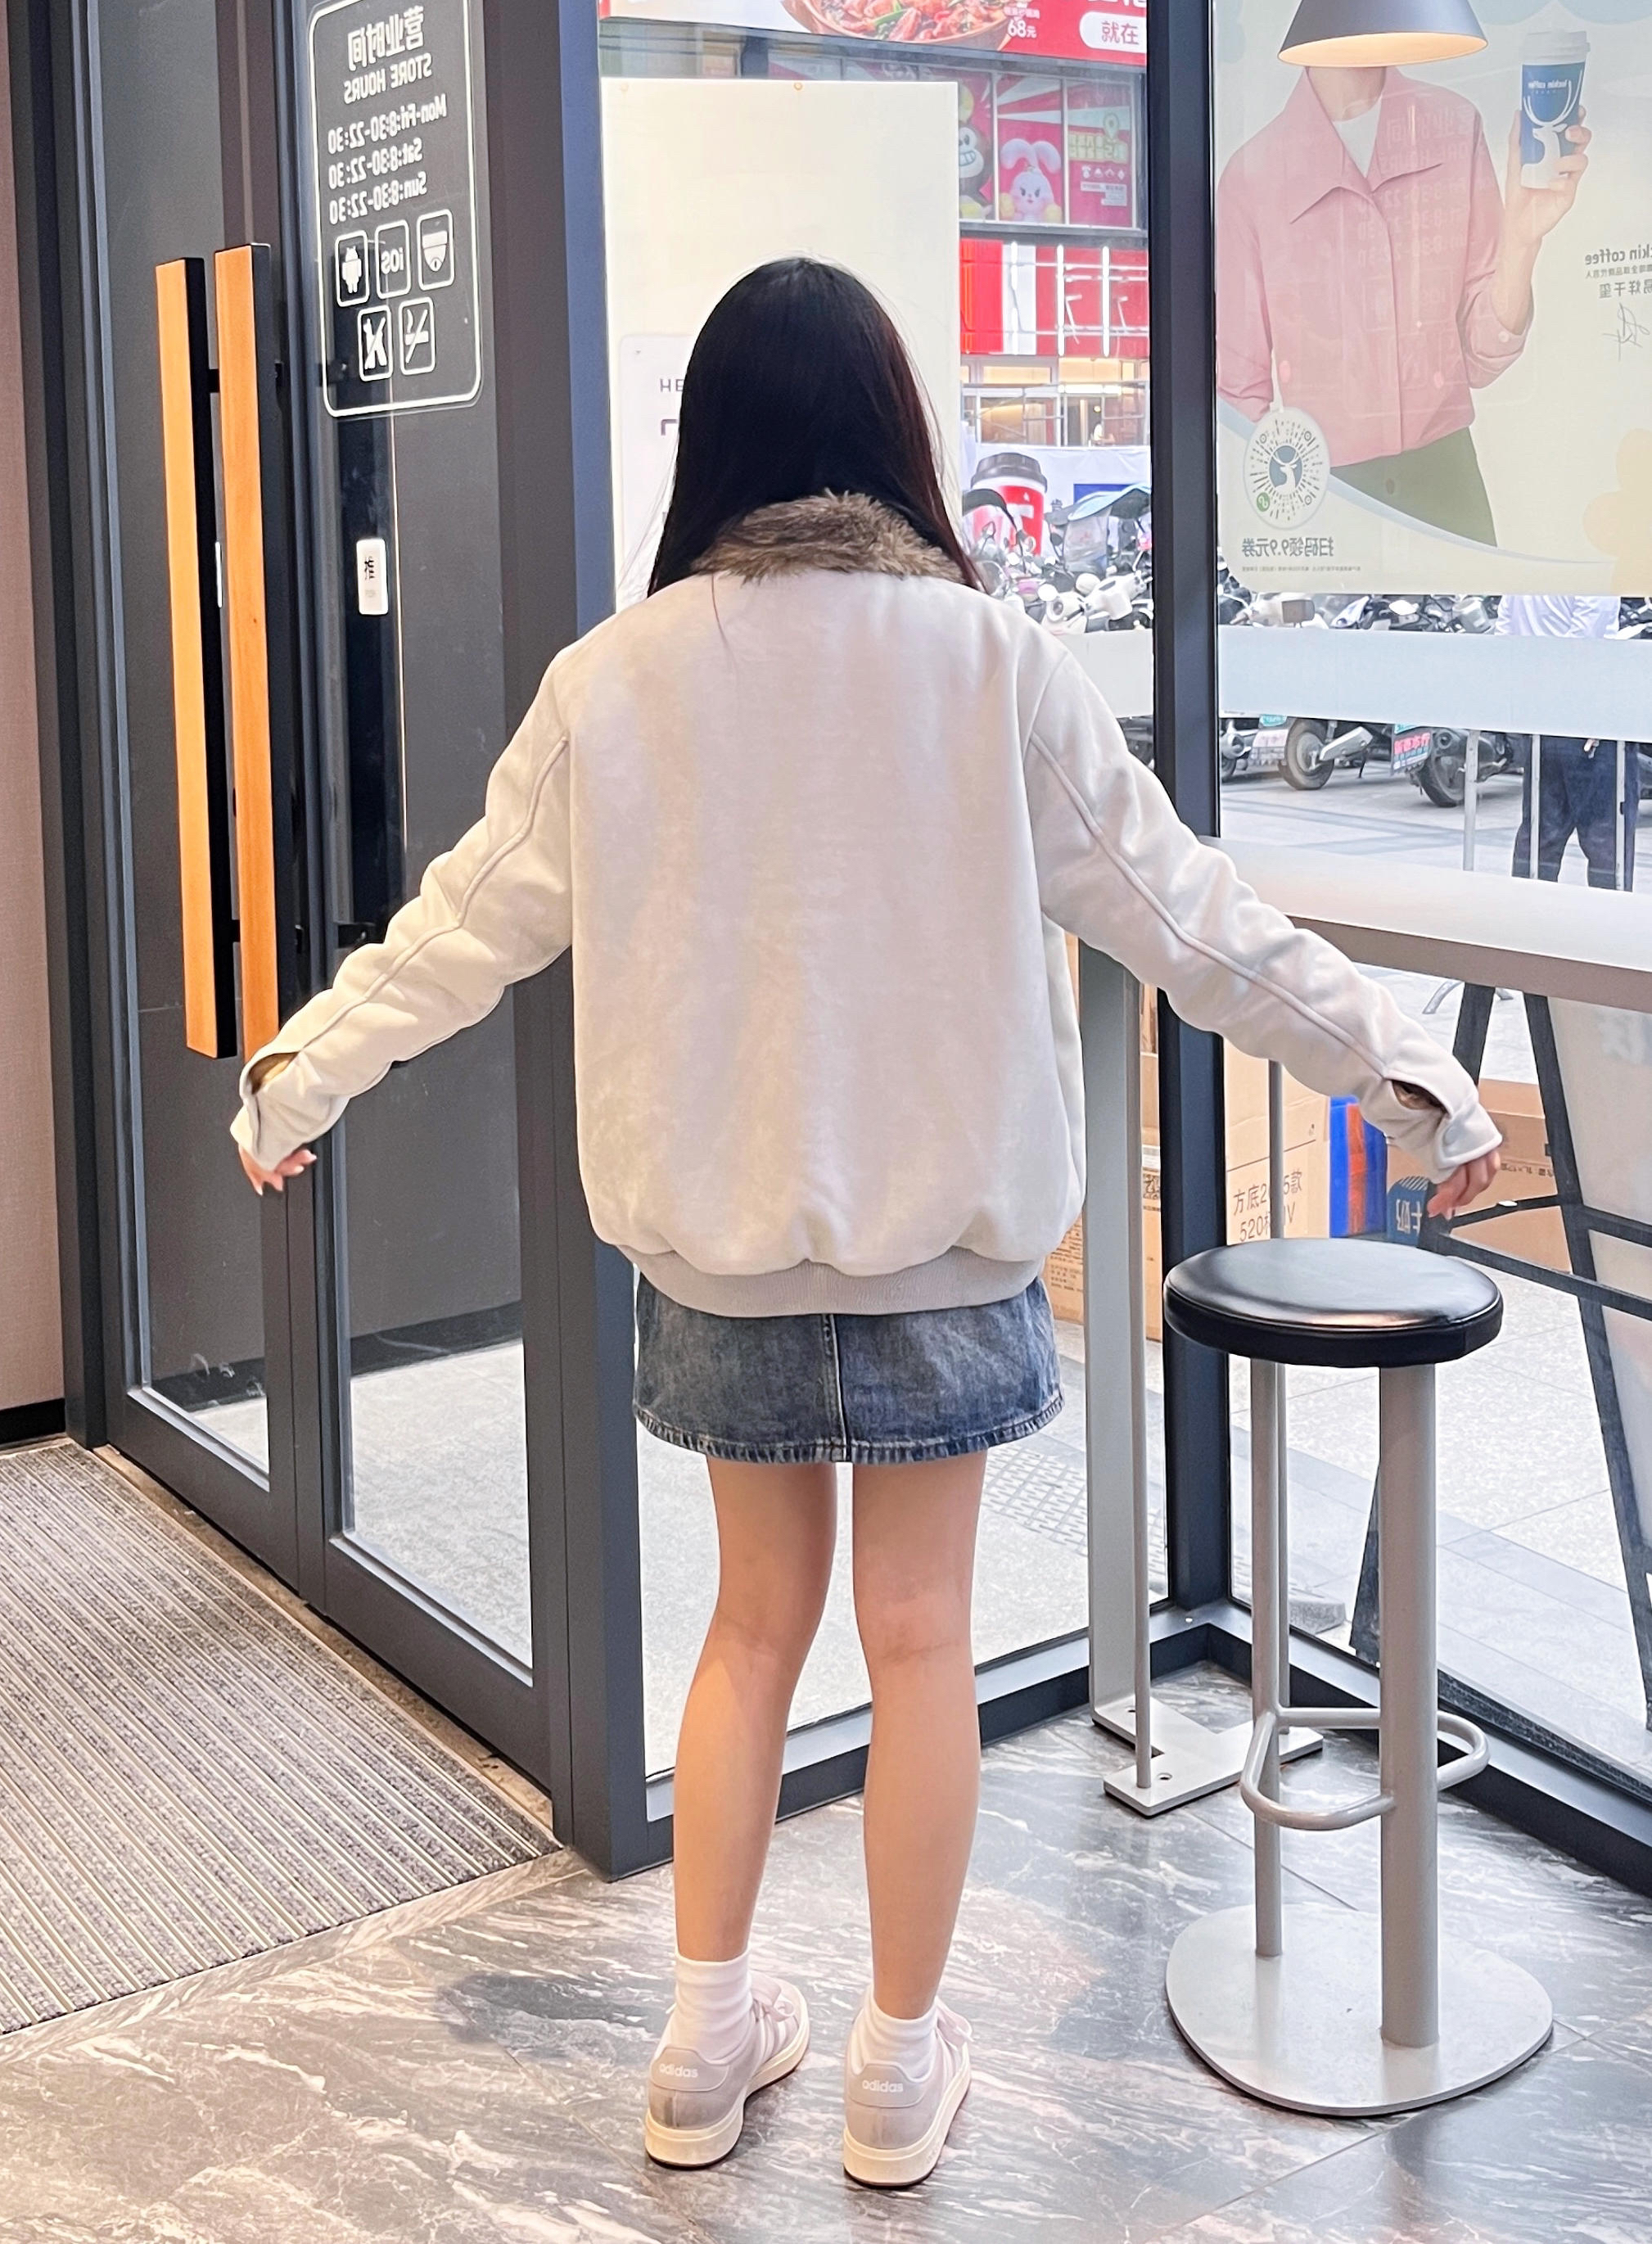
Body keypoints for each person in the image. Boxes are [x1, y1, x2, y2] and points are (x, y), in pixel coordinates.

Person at [231, 260, 1500, 2190]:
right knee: (920, 1643)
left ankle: (699, 2036)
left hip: (719, 1248)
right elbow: (1192, 920)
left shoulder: (617, 680)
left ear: (713, 446)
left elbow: (460, 929)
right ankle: (896, 2067)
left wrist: (296, 1080)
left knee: (749, 1628)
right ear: (897, 436)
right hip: (942, 1244)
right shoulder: (992, 667)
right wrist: (1412, 1075)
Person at [1217, 62, 1589, 542]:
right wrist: (1270, 543)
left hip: (1447, 486)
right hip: (1321, 495)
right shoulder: (1253, 175)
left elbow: (1480, 356)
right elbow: (1240, 394)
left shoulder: (1453, 125)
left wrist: (1521, 241)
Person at [1500, 594, 1636, 889]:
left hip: (1537, 716)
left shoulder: (1522, 578)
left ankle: (1525, 909)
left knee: (1541, 833)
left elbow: (1504, 636)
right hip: (1588, 719)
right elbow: (1584, 644)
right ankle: (1608, 913)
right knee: (1605, 837)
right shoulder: (1595, 578)